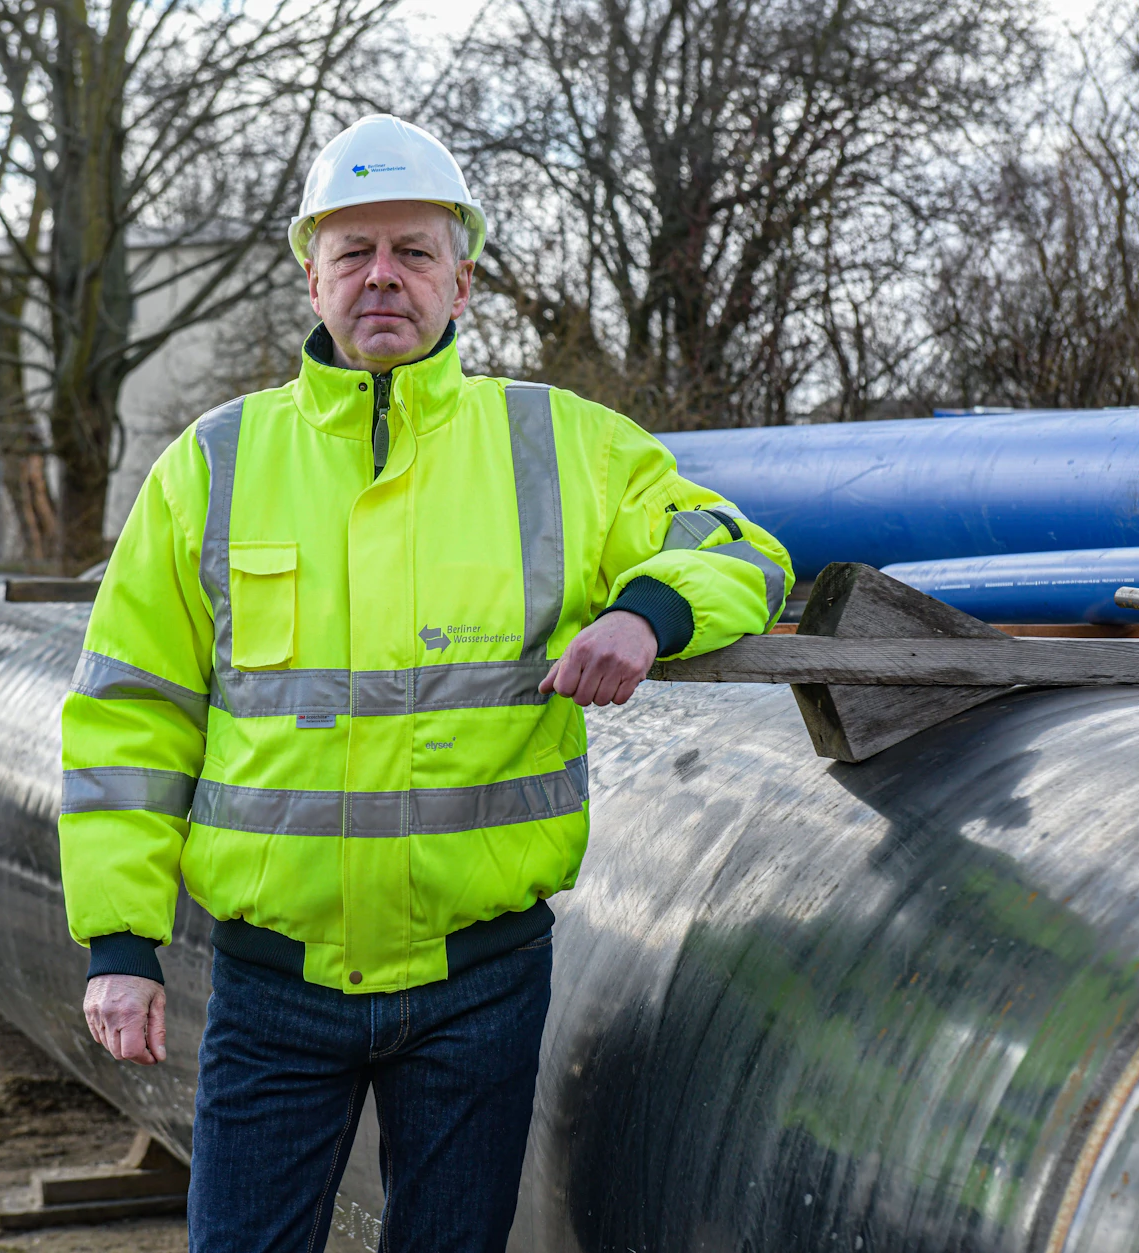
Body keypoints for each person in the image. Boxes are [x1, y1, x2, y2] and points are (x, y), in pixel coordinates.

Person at [59, 114, 793, 1253]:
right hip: (272, 986)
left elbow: (736, 542)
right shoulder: (211, 463)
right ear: (310, 275)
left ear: (463, 277)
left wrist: (646, 612)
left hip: (479, 980)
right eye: (353, 254)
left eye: (411, 250)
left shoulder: (561, 445)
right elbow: (131, 711)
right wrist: (118, 942)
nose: (382, 277)